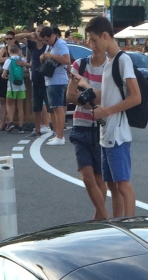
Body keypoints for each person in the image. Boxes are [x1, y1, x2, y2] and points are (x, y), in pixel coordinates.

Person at [86, 15, 140, 219]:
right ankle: (119, 225)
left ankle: (130, 225)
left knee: (123, 184)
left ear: (105, 35)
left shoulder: (122, 60)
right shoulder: (109, 63)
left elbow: (136, 97)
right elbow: (108, 96)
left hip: (117, 133)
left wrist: (106, 111)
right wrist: (88, 90)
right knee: (112, 185)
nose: (92, 45)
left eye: (94, 39)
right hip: (106, 132)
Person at [66, 34, 110, 220]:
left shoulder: (111, 67)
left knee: (100, 179)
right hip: (81, 126)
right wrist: (83, 102)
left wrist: (93, 98)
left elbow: (112, 98)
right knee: (86, 176)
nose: (94, 45)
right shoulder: (80, 66)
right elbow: (69, 96)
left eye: (97, 40)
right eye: (91, 41)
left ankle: (98, 220)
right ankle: (106, 218)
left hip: (102, 126)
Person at [39, 25, 70, 145]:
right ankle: (58, 134)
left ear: (53, 35)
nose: (47, 42)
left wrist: (50, 55)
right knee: (56, 109)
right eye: (44, 41)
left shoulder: (60, 44)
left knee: (58, 108)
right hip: (53, 80)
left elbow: (67, 60)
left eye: (47, 39)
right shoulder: (51, 45)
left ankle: (60, 136)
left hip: (57, 81)